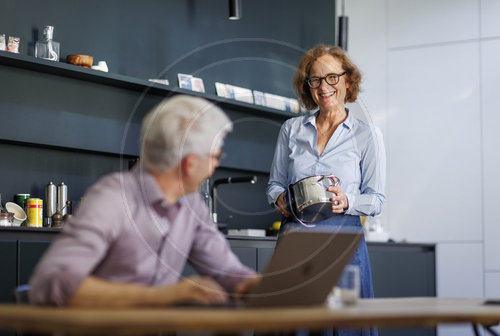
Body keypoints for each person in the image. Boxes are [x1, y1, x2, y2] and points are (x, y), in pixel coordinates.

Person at [29, 95, 259, 307]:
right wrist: (163, 296)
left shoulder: (191, 204)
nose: (217, 164)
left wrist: (257, 285)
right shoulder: (113, 197)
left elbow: (226, 271)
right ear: (190, 164)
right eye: (216, 156)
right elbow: (51, 282)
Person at [267, 45, 385, 336]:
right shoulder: (291, 130)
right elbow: (274, 184)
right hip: (295, 241)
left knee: (345, 327)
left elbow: (376, 199)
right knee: (292, 327)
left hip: (343, 243)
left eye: (332, 77)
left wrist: (348, 201)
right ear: (308, 87)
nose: (324, 86)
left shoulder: (367, 134)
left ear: (347, 81)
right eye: (315, 80)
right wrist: (279, 198)